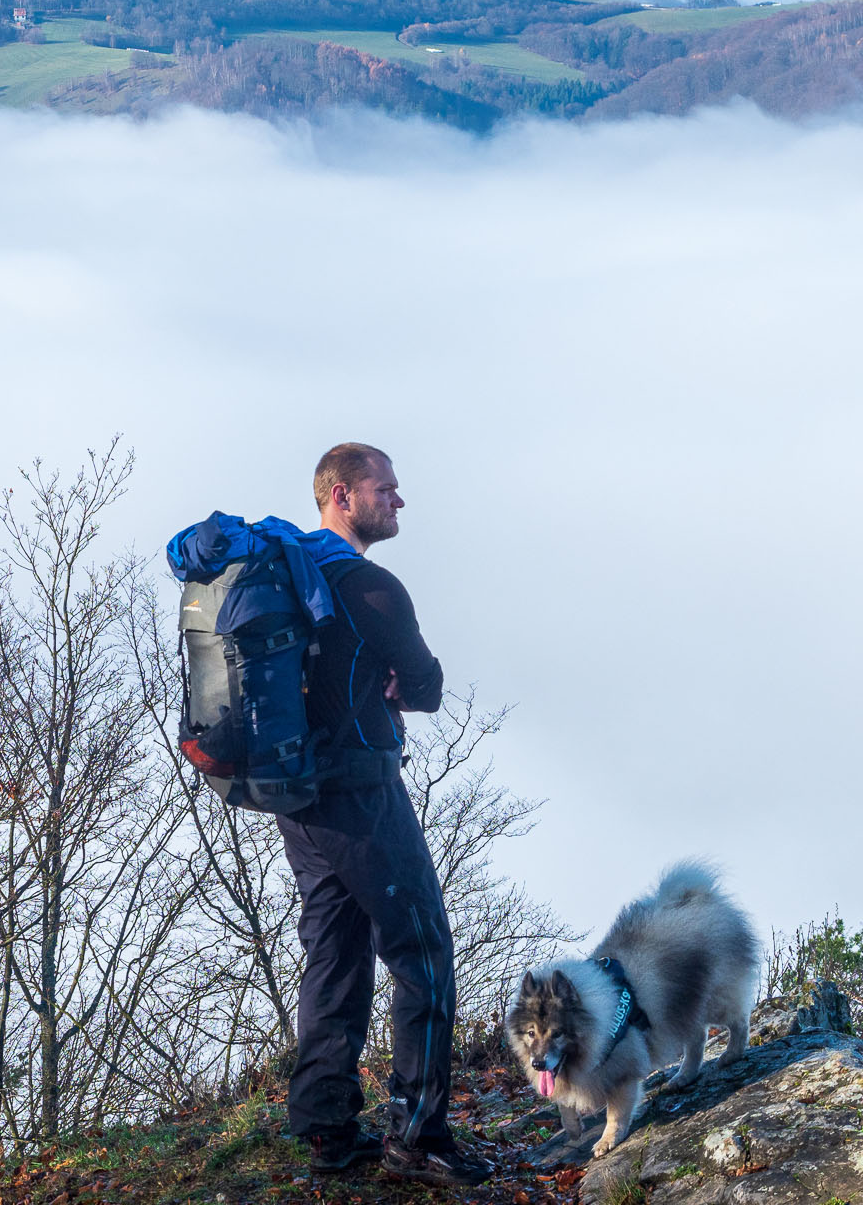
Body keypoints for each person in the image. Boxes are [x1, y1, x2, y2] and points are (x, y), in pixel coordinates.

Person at [277, 443, 491, 1188]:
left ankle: (329, 1130)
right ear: (342, 495)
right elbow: (427, 686)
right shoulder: (370, 587)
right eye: (385, 489)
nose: (398, 501)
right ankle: (420, 1136)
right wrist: (395, 683)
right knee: (423, 948)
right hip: (361, 793)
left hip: (297, 797)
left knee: (334, 952)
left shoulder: (288, 572)